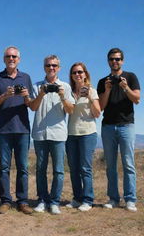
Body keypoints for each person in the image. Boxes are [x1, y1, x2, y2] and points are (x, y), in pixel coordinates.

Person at [0, 46, 33, 215]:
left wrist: (26, 96)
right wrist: (5, 96)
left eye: (14, 56)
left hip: (22, 129)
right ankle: (6, 201)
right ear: (4, 59)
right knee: (4, 167)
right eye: (8, 56)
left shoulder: (26, 77)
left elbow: (30, 104)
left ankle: (22, 201)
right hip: (3, 129)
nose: (11, 58)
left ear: (19, 59)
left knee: (23, 167)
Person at [29, 55, 75, 214]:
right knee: (40, 169)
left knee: (59, 170)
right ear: (44, 67)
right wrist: (41, 94)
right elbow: (33, 108)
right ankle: (42, 200)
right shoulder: (36, 86)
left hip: (58, 134)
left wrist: (62, 96)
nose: (51, 68)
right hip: (40, 133)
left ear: (59, 68)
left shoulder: (66, 87)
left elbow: (70, 110)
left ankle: (54, 201)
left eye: (54, 65)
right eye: (48, 65)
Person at [97, 48, 140, 212]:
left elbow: (136, 99)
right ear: (108, 61)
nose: (115, 62)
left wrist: (125, 87)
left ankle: (130, 199)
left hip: (126, 125)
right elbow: (101, 106)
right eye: (112, 59)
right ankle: (113, 198)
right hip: (108, 126)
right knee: (111, 165)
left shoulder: (130, 77)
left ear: (122, 60)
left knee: (128, 164)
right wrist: (107, 90)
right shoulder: (103, 81)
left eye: (117, 59)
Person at [65, 62, 100, 212]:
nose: (77, 75)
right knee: (74, 168)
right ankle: (77, 198)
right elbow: (68, 111)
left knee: (85, 168)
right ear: (71, 76)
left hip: (87, 133)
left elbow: (97, 113)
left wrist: (90, 98)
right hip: (71, 134)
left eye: (80, 72)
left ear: (85, 74)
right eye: (74, 73)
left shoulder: (92, 91)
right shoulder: (69, 92)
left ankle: (88, 200)